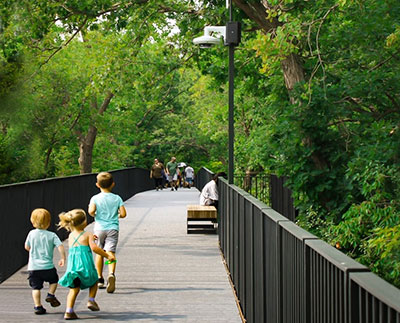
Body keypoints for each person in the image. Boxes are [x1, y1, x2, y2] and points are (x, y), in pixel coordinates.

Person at [58, 209, 115, 320]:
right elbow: (94, 248)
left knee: (74, 289)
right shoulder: (88, 234)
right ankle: (91, 300)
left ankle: (69, 311)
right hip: (85, 265)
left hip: (73, 267)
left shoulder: (71, 236)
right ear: (84, 222)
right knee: (94, 281)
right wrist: (107, 256)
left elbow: (79, 243)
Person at [88, 172, 127, 294]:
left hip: (99, 228)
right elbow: (124, 214)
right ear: (113, 184)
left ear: (97, 185)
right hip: (113, 228)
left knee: (99, 252)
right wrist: (117, 215)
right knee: (110, 252)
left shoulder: (95, 198)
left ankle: (99, 278)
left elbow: (91, 211)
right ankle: (111, 273)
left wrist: (95, 214)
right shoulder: (117, 198)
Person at [24, 208, 66, 315]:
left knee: (36, 288)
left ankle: (38, 306)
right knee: (54, 280)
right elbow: (60, 246)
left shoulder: (31, 234)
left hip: (34, 267)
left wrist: (33, 250)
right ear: (48, 222)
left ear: (32, 222)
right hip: (48, 267)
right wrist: (62, 258)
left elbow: (27, 247)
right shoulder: (52, 235)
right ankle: (51, 294)